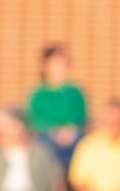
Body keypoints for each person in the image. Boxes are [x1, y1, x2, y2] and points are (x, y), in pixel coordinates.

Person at [27, 44, 88, 172]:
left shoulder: (74, 92)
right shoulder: (39, 94)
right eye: (56, 63)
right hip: (48, 137)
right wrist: (55, 131)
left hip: (73, 135)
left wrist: (69, 129)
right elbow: (36, 120)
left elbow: (81, 116)